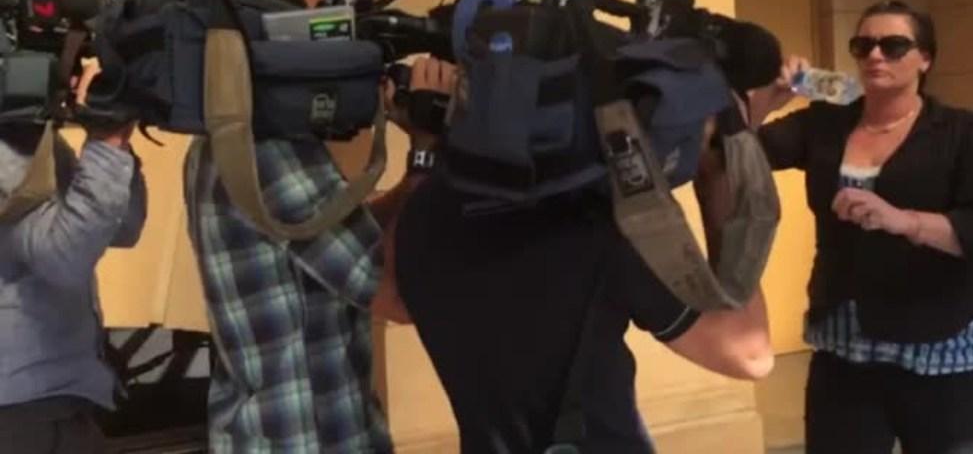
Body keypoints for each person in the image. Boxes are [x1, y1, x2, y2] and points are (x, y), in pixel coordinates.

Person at [391, 84, 775, 452]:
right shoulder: (600, 224)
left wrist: (423, 152)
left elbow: (394, 302)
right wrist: (717, 174)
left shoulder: (425, 211)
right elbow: (750, 353)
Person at [749, 0, 973, 454]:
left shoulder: (963, 132)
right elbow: (738, 156)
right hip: (844, 349)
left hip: (938, 349)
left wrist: (904, 221)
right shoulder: (827, 122)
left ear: (926, 59)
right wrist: (765, 102)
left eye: (894, 46)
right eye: (864, 45)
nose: (876, 56)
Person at [185, 43, 451, 451]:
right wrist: (426, 153)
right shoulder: (272, 153)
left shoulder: (224, 137)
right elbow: (398, 294)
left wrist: (414, 162)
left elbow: (336, 239)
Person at [0, 113, 146, 451]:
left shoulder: (35, 138)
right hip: (18, 414)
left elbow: (123, 228)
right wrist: (107, 149)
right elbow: (63, 257)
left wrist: (115, 144)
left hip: (53, 400)